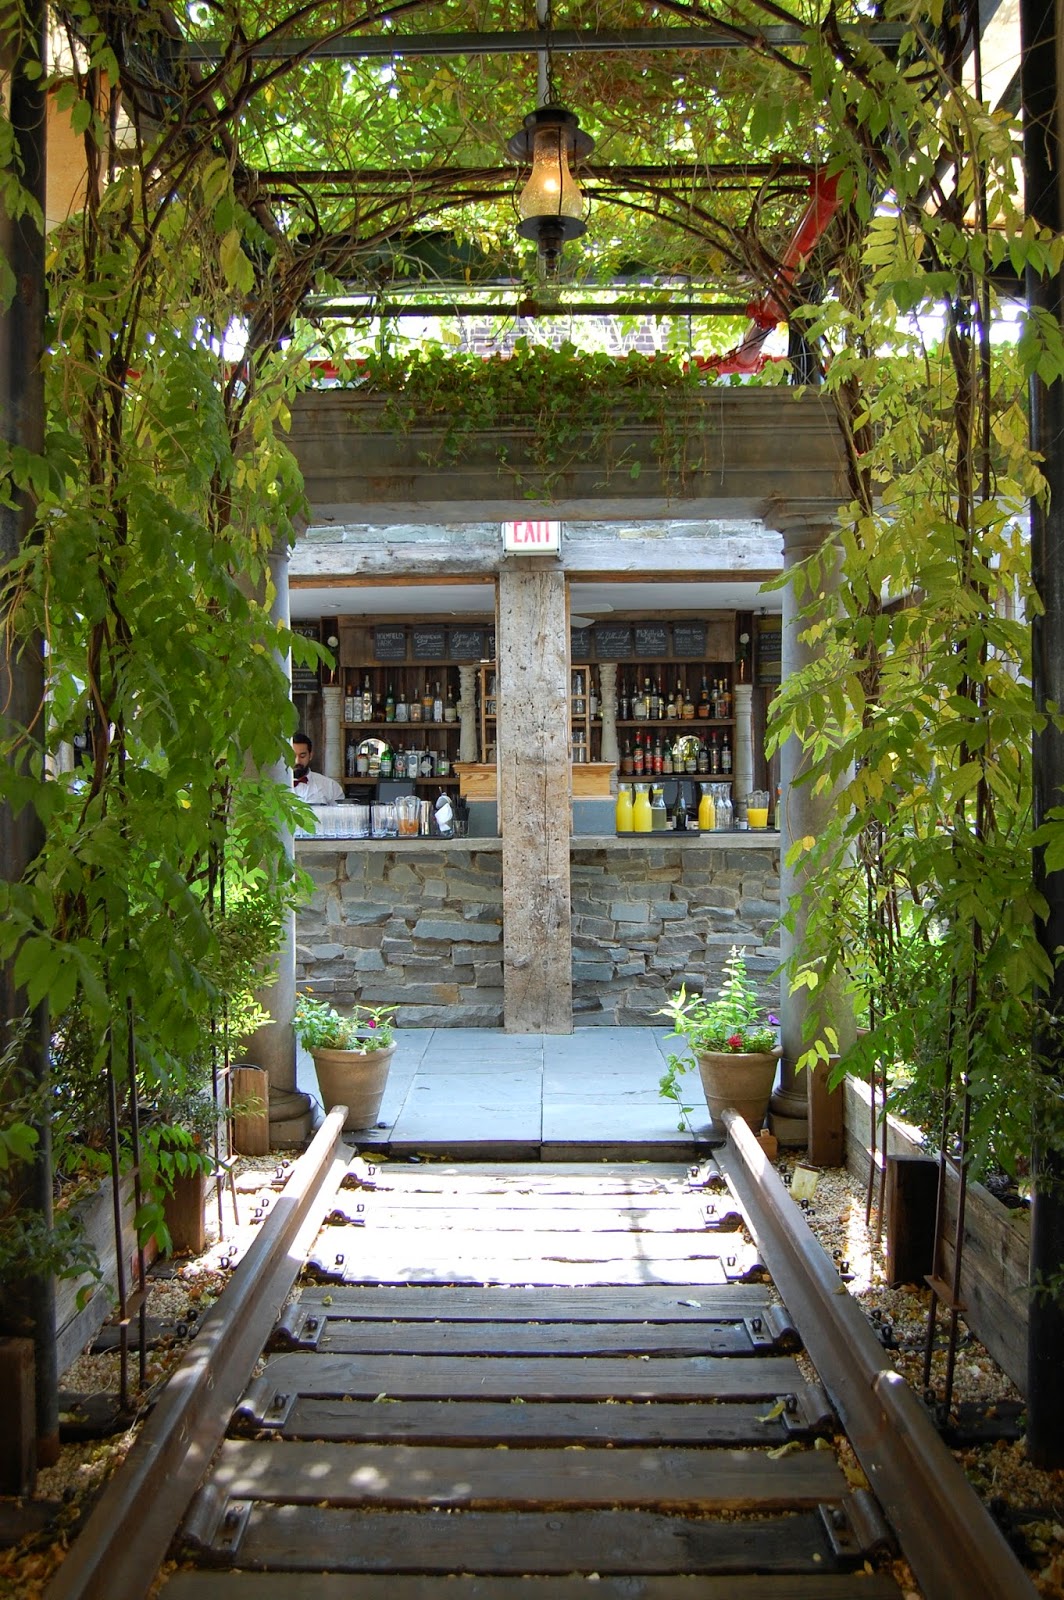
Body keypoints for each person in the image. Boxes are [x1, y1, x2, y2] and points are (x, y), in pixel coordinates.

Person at [292, 732, 344, 803]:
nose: (297, 761)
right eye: (292, 756)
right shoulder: (276, 785)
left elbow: (341, 810)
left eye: (302, 756)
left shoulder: (330, 787)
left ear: (310, 755)